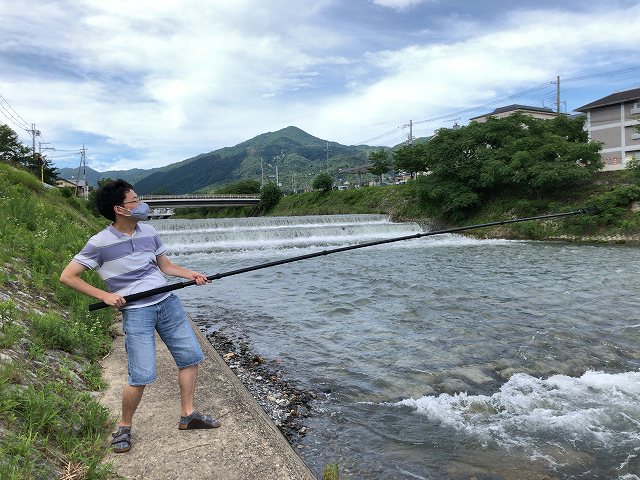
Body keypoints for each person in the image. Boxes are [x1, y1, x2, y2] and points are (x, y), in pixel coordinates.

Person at [60, 179, 220, 453]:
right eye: (135, 200)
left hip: (167, 302)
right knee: (141, 374)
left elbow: (165, 265)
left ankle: (188, 415)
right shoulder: (99, 243)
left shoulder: (149, 231)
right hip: (136, 312)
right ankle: (124, 427)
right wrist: (104, 295)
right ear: (119, 209)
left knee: (190, 358)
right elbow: (67, 276)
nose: (141, 204)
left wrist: (189, 274)